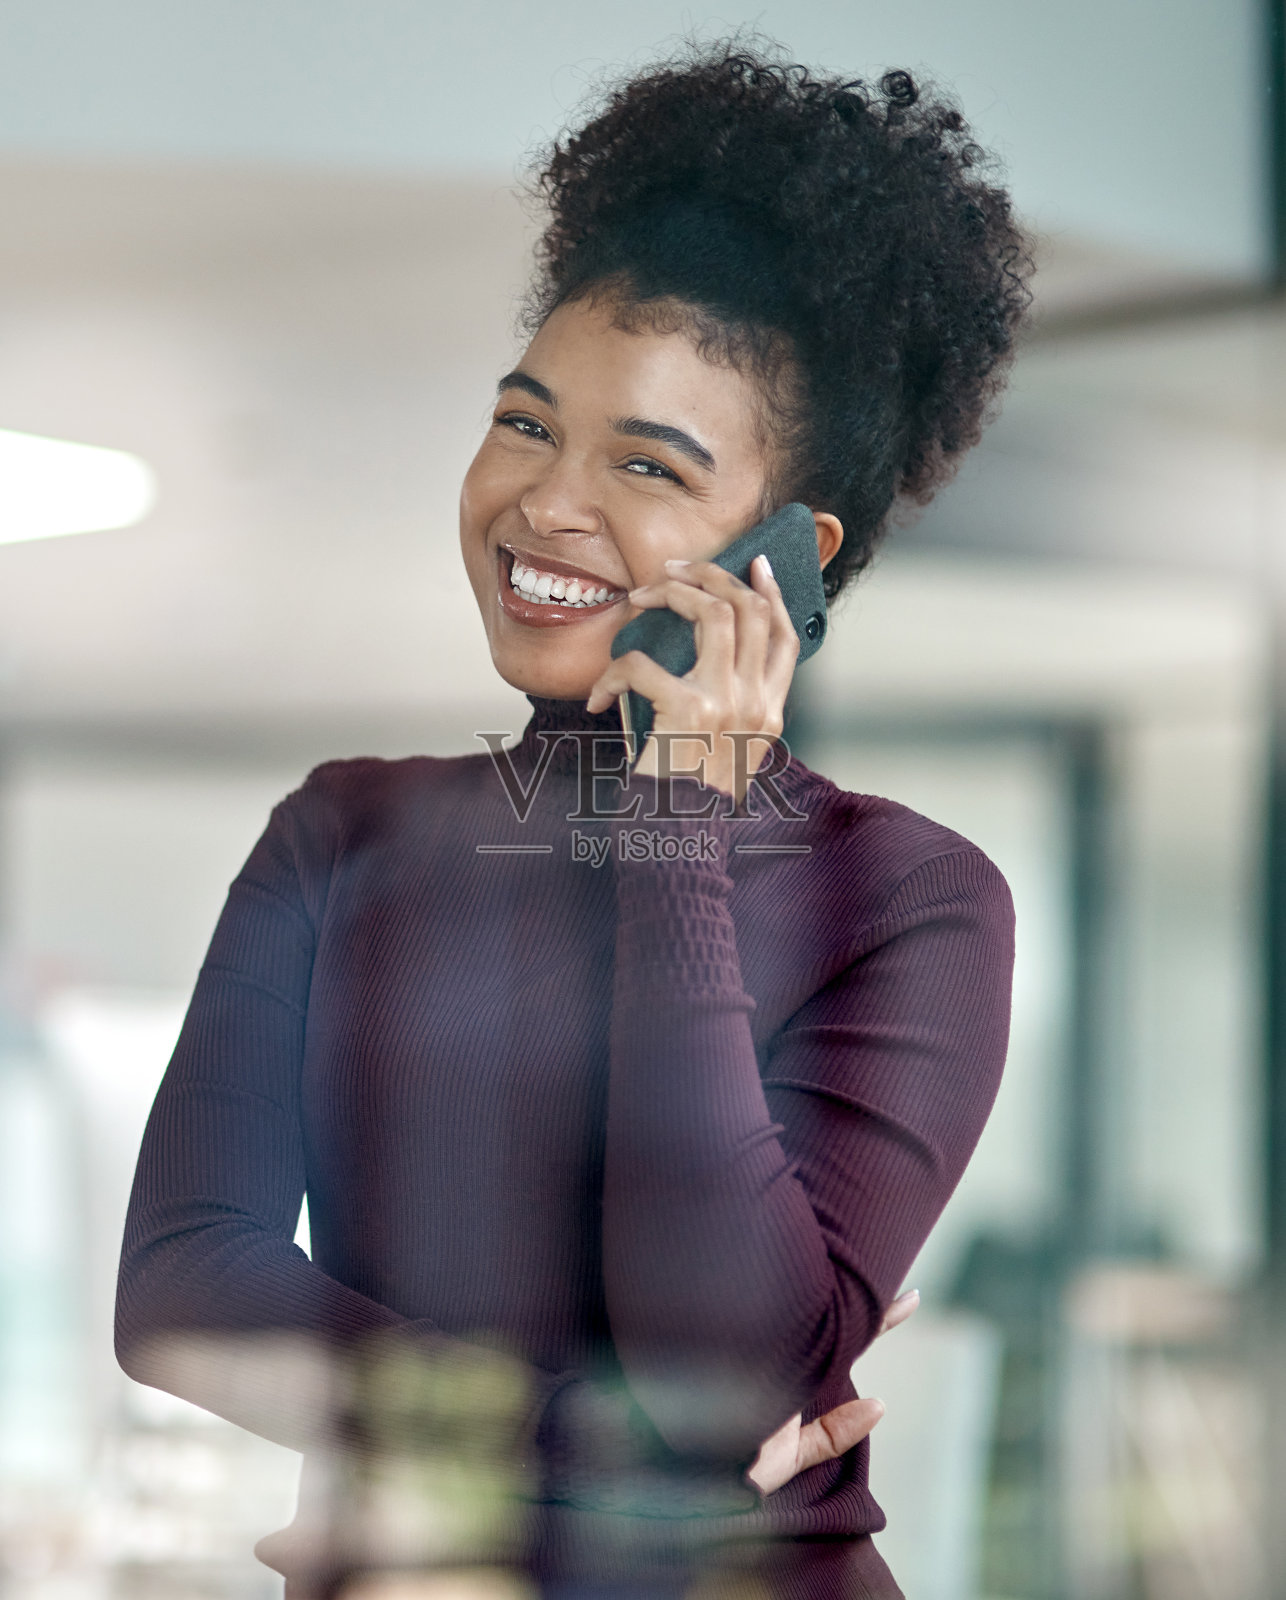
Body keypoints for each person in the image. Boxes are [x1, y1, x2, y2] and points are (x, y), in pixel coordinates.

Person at [115, 42, 1029, 1600]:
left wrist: (675, 831)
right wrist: (614, 1441)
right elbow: (183, 1288)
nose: (544, 503)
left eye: (646, 465)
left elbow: (727, 1342)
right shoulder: (344, 840)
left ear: (784, 555)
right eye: (525, 424)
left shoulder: (909, 897)